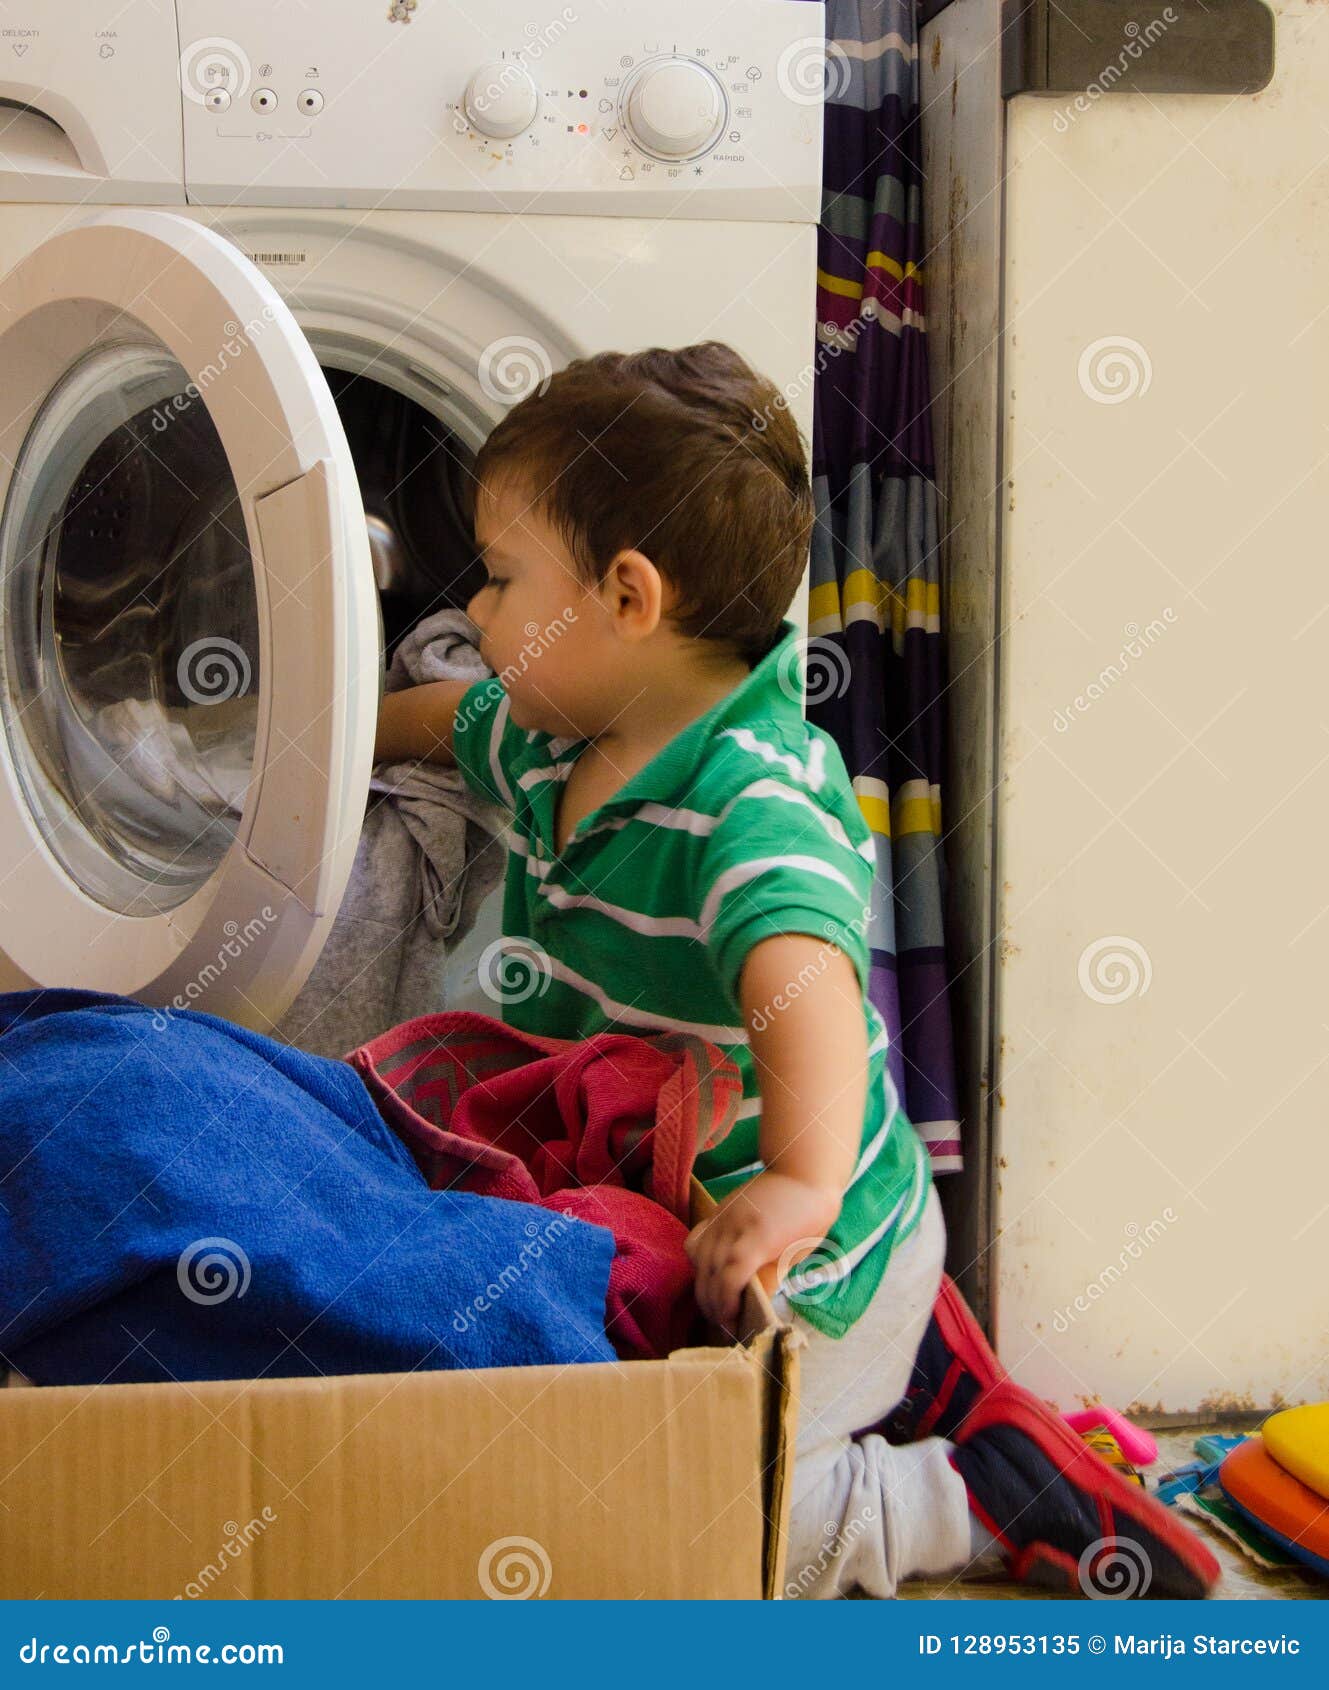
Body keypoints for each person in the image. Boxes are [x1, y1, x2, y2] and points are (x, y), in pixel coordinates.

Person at [373, 341, 1220, 1601]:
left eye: (498, 582)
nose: (475, 618)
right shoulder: (554, 735)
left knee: (661, 1532)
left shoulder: (747, 802)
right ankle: (928, 1376)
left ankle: (952, 1499)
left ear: (626, 597)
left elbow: (809, 981)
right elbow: (440, 725)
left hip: (789, 1259)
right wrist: (326, 736)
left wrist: (797, 1183)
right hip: (699, 1208)